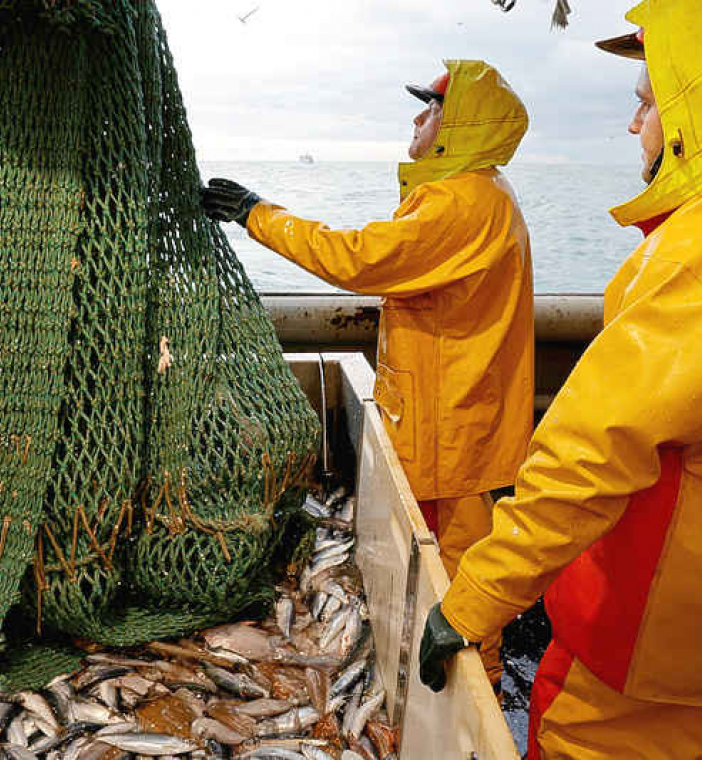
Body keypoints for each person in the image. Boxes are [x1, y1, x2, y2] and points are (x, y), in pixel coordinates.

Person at [418, 3, 702, 758]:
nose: (636, 126)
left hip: (647, 656)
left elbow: (592, 452)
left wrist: (473, 601)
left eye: (647, 100)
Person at [202, 59, 534, 689]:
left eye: (431, 108)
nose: (417, 118)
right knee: (452, 560)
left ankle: (477, 694)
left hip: (454, 430)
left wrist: (255, 213)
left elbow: (357, 260)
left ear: (458, 127)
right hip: (457, 416)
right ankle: (455, 675)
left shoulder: (462, 201)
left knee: (460, 568)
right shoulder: (472, 193)